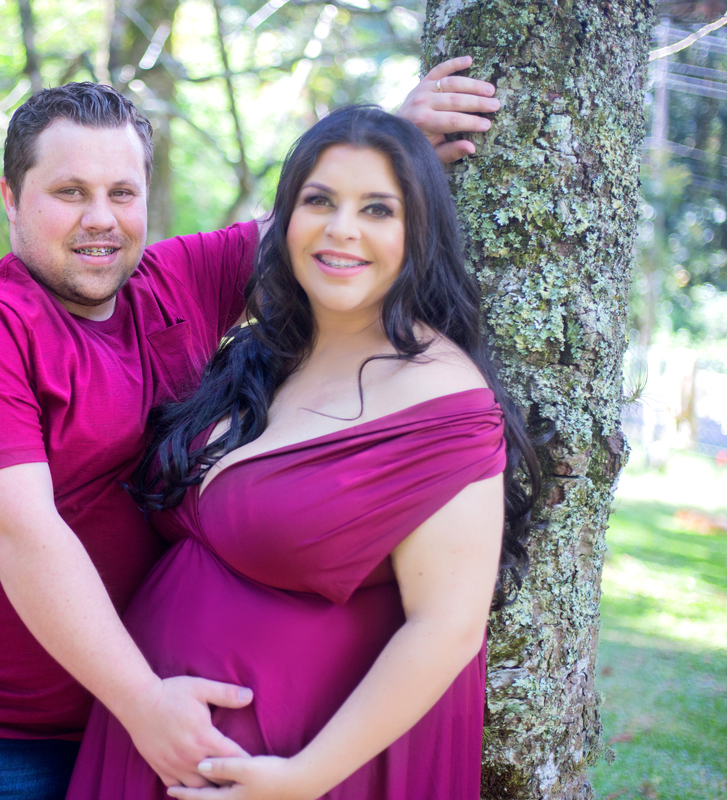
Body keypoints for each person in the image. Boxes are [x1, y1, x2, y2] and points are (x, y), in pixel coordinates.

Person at [0, 65, 503, 800]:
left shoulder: (174, 281)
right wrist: (142, 703)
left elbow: (317, 230)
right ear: (11, 198)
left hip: (111, 723)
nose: (101, 218)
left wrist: (396, 140)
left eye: (122, 193)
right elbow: (23, 536)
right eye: (70, 193)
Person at [65, 105, 540, 800]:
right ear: (286, 220)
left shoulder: (444, 404)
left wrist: (301, 779)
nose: (341, 229)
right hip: (148, 742)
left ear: (420, 232)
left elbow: (448, 627)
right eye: (319, 201)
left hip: (288, 772)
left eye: (378, 209)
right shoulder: (270, 352)